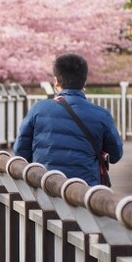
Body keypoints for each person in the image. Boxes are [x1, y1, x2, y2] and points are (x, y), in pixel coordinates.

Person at [13, 53, 123, 186]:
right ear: (84, 82)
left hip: (45, 187)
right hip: (86, 191)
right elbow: (115, 155)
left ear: (55, 81)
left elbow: (20, 151)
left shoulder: (38, 109)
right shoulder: (101, 115)